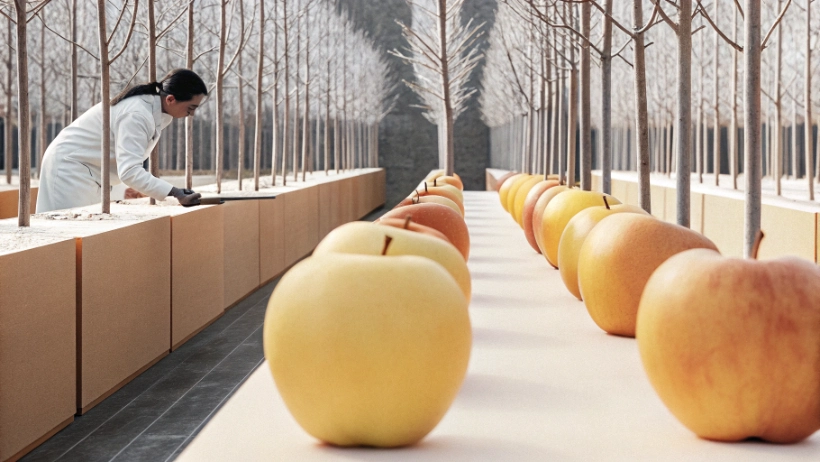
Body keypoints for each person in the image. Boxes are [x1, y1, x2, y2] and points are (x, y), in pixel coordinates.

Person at [36, 69, 206, 213]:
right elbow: (129, 171)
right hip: (70, 168)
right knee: (71, 231)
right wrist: (174, 192)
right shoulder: (137, 114)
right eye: (191, 108)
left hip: (88, 169)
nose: (191, 114)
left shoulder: (150, 111)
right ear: (170, 99)